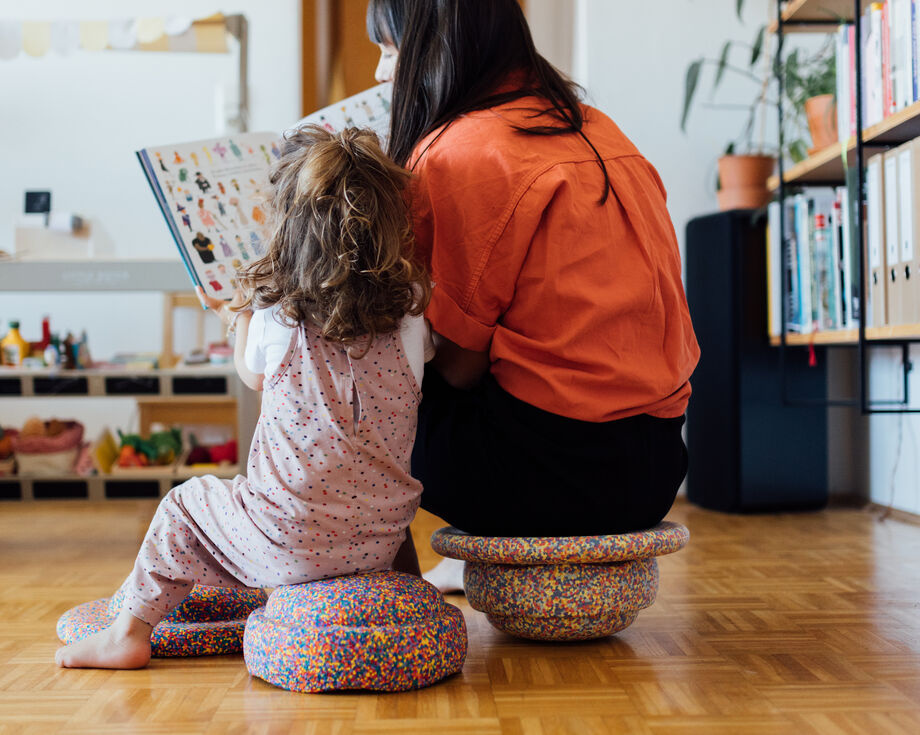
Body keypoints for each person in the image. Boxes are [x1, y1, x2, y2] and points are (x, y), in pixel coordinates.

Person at [55, 125, 433, 669]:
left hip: (287, 543)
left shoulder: (278, 314)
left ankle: (126, 635)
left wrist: (237, 318)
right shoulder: (412, 313)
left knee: (182, 507)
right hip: (381, 543)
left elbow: (251, 375)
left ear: (287, 228)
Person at [366, 0, 700, 590]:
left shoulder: (456, 152)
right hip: (657, 466)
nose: (379, 72)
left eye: (389, 48)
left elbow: (461, 372)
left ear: (430, 48)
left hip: (554, 480)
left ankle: (374, 588)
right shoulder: (598, 127)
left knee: (353, 367)